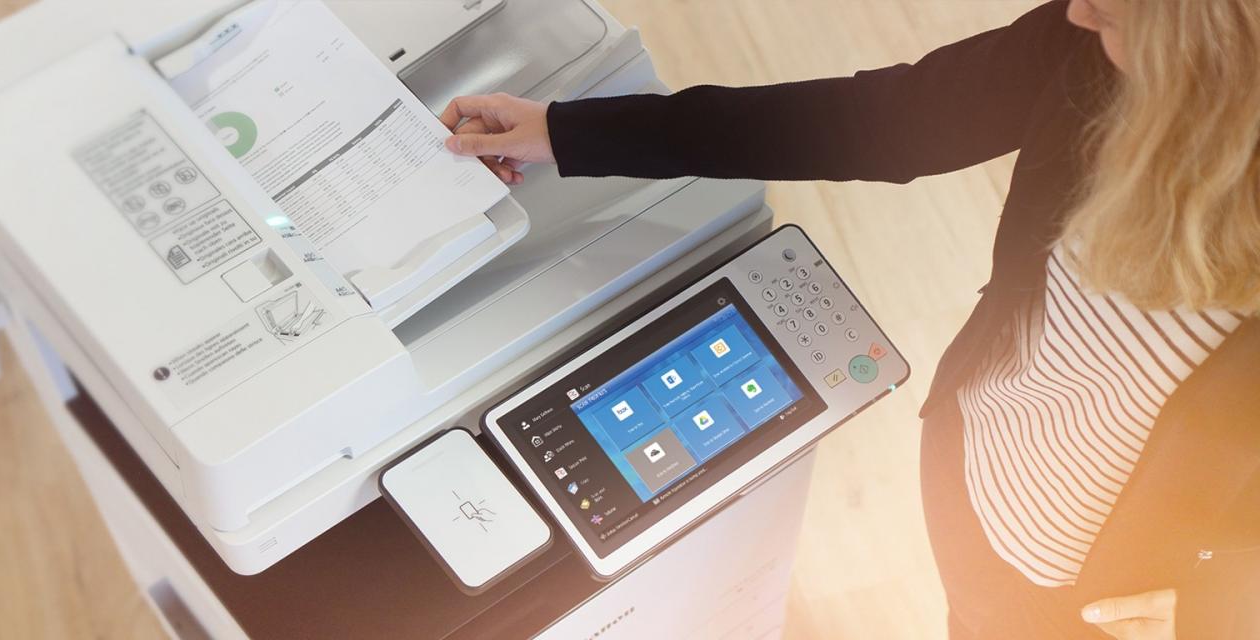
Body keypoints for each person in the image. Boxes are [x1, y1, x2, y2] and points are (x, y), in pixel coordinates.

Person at [438, 1, 1260, 638]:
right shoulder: (1096, 41)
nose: (1076, 13)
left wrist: (1236, 602)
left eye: (1116, 13)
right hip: (971, 477)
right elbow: (887, 122)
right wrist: (569, 131)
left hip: (1113, 605)